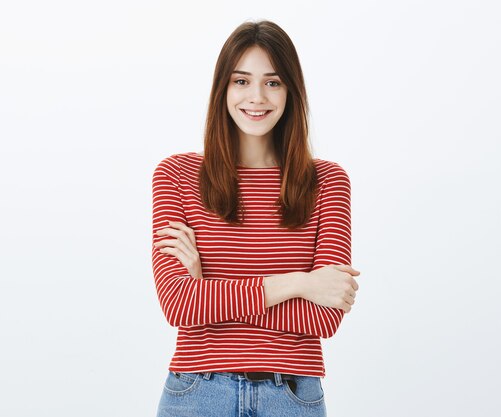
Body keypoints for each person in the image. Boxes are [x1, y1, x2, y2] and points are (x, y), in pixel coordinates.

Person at [151, 19, 360, 417]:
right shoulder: (176, 176)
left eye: (274, 82)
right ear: (222, 90)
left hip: (292, 396)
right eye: (241, 81)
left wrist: (209, 290)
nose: (257, 97)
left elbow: (325, 315)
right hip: (197, 392)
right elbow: (177, 304)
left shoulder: (328, 182)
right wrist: (301, 283)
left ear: (290, 92)